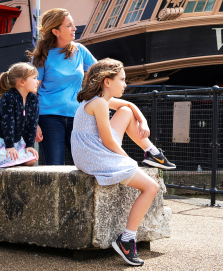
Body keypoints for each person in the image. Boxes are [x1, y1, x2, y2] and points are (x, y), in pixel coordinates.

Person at [71, 58, 175, 266]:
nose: (125, 84)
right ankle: (126, 239)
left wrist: (143, 121)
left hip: (89, 151)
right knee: (151, 187)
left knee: (126, 112)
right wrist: (126, 159)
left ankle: (152, 151)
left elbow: (129, 105)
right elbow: (108, 139)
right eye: (122, 80)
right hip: (94, 154)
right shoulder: (99, 102)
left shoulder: (97, 99)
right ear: (107, 81)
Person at [29, 8, 97, 165]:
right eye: (69, 25)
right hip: (49, 119)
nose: (74, 28)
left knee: (86, 165)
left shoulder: (80, 51)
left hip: (78, 117)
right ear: (55, 31)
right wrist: (33, 123)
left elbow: (101, 72)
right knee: (55, 167)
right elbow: (31, 92)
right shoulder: (41, 56)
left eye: (73, 24)